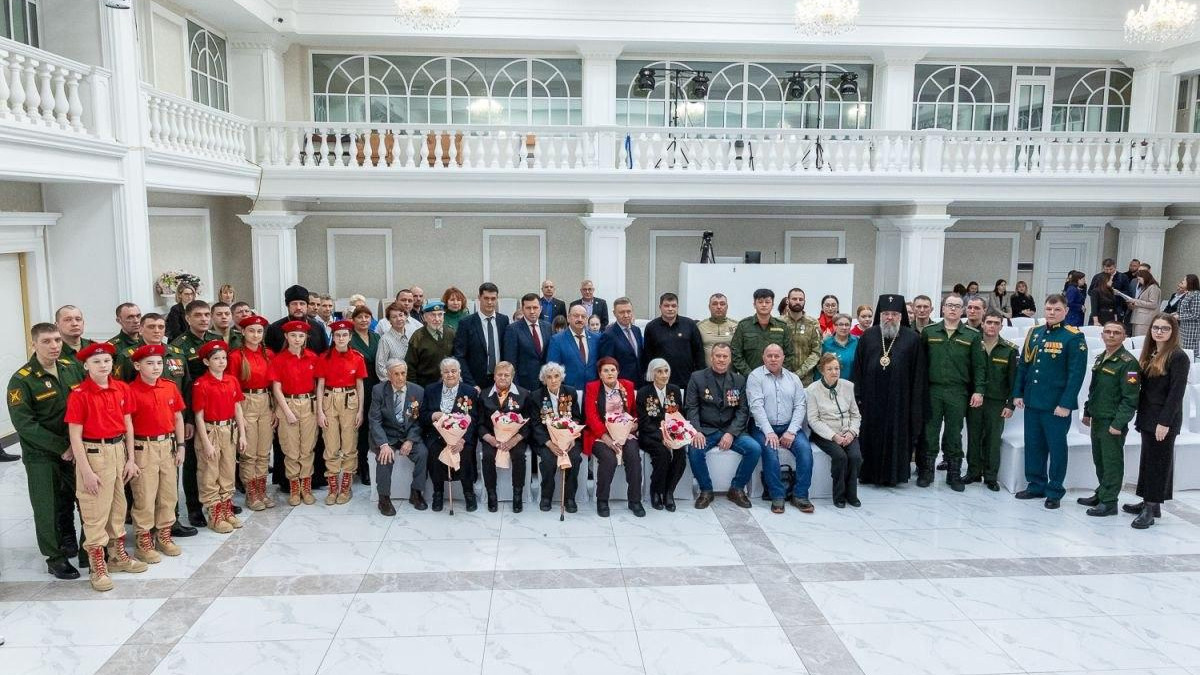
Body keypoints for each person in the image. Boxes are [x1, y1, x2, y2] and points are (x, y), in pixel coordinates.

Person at [65, 342, 146, 591]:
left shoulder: (121, 388)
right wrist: (86, 472)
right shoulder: (80, 394)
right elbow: (75, 436)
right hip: (94, 454)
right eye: (97, 362)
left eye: (107, 361)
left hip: (118, 450)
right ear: (86, 366)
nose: (103, 365)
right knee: (95, 512)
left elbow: (128, 425)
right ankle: (97, 565)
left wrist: (130, 459)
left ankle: (117, 556)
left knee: (118, 507)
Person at [7, 323, 85, 580]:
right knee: (47, 506)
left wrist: (78, 444)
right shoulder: (22, 380)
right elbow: (25, 424)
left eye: (57, 340)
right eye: (46, 341)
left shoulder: (71, 368)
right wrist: (61, 447)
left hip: (75, 448)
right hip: (42, 454)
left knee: (84, 499)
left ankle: (87, 548)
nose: (54, 346)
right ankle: (55, 557)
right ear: (34, 344)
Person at [1012, 294, 1088, 509]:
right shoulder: (1035, 333)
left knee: (1056, 448)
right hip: (1033, 400)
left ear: (1066, 311)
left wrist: (1066, 404)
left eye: (1057, 309)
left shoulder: (1073, 337)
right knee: (1033, 445)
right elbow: (1024, 366)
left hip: (1056, 405)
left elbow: (1076, 374)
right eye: (1048, 309)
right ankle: (1036, 484)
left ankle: (1054, 490)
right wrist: (1018, 393)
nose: (1052, 313)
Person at [852, 295, 926, 486]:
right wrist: (857, 396)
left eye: (894, 314)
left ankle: (894, 476)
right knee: (870, 436)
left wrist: (915, 404)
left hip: (900, 401)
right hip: (871, 400)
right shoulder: (868, 336)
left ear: (901, 316)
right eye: (886, 314)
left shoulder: (912, 338)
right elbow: (858, 369)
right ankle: (868, 474)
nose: (890, 318)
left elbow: (918, 374)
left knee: (896, 437)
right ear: (880, 315)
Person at [1128, 314, 1191, 529]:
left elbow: (1176, 394)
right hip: (1148, 415)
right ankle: (1149, 502)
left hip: (1164, 418)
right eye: (1156, 327)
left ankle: (1151, 508)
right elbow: (1139, 381)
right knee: (1148, 460)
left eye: (1165, 328)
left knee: (1158, 463)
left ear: (1173, 331)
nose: (1159, 332)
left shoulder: (1178, 356)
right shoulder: (1151, 351)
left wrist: (1165, 423)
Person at [918, 294, 986, 491]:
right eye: (949, 305)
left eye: (957, 306)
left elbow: (979, 366)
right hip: (933, 389)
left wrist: (979, 391)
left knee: (954, 433)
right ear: (943, 308)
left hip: (958, 391)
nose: (953, 309)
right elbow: (921, 364)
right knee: (930, 431)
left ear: (962, 310)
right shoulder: (929, 332)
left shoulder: (972, 335)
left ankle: (953, 473)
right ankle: (927, 471)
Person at [126, 344, 186, 562]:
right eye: (149, 363)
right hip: (143, 448)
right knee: (145, 494)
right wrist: (130, 457)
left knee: (168, 494)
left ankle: (164, 535)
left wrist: (181, 446)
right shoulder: (130, 391)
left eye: (159, 363)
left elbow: (178, 417)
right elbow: (127, 426)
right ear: (137, 366)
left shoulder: (169, 386)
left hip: (167, 445)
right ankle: (143, 540)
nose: (156, 367)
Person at [685, 343, 760, 509]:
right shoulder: (697, 378)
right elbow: (691, 407)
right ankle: (706, 490)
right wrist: (697, 431)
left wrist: (731, 433)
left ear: (730, 359)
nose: (721, 359)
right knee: (695, 449)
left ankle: (737, 488)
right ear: (711, 357)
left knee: (754, 448)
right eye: (718, 356)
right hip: (706, 429)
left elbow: (743, 411)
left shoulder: (739, 380)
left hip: (731, 429)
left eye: (725, 356)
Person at [1076, 321, 1139, 517]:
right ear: (1102, 335)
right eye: (1108, 332)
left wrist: (1119, 423)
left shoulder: (1129, 363)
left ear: (1124, 337)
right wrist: (1088, 411)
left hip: (1112, 421)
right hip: (1098, 417)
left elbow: (1130, 398)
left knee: (1112, 462)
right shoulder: (1101, 357)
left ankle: (1110, 501)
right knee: (1100, 459)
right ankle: (1102, 493)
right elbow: (1094, 388)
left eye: (1116, 333)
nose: (1111, 335)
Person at [169, 300, 222, 528]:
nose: (203, 319)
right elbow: (181, 386)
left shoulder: (215, 340)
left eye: (206, 315)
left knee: (218, 457)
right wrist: (188, 419)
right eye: (198, 315)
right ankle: (194, 507)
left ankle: (219, 502)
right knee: (192, 461)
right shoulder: (178, 346)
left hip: (217, 409)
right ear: (188, 318)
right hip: (193, 411)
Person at [747, 344, 813, 514]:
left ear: (783, 358)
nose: (773, 359)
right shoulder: (755, 377)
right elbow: (756, 407)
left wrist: (791, 431)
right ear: (763, 358)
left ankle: (800, 495)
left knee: (805, 451)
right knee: (770, 452)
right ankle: (777, 495)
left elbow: (800, 406)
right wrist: (769, 432)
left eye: (777, 356)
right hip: (762, 427)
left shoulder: (793, 379)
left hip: (789, 426)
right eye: (769, 355)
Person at [191, 340, 247, 534]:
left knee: (228, 470)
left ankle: (226, 508)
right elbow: (198, 416)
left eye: (224, 358)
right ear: (207, 362)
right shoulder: (201, 384)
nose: (222, 362)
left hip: (229, 430)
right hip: (210, 431)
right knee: (210, 472)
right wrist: (206, 443)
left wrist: (242, 434)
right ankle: (214, 514)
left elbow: (237, 407)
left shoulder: (232, 380)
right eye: (216, 358)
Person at [964, 310, 1018, 491]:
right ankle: (973, 472)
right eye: (989, 322)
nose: (992, 326)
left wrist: (1010, 405)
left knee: (993, 440)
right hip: (974, 399)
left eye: (996, 323)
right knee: (974, 437)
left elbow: (1013, 380)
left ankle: (990, 476)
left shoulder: (1009, 349)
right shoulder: (973, 344)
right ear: (983, 324)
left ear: (1001, 326)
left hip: (996, 401)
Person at [584, 357, 644, 517]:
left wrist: (635, 424)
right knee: (609, 458)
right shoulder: (592, 387)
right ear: (600, 374)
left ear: (618, 372)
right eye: (605, 371)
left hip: (626, 432)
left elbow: (634, 412)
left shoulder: (628, 385)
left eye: (613, 370)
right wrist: (606, 438)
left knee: (633, 456)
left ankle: (635, 500)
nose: (610, 373)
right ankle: (602, 500)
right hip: (601, 435)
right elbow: (591, 416)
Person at [227, 315, 275, 511]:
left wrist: (274, 409)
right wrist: (238, 416)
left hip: (266, 400)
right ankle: (251, 493)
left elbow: (274, 384)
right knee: (249, 452)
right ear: (243, 332)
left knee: (264, 451)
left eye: (259, 331)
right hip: (245, 401)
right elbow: (232, 386)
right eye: (251, 331)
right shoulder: (236, 356)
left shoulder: (269, 354)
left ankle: (262, 490)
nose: (255, 335)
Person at [368, 359, 429, 513]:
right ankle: (384, 498)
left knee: (423, 453)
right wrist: (383, 444)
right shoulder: (378, 390)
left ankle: (416, 493)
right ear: (389, 375)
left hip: (407, 434)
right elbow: (375, 420)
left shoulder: (417, 391)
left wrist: (410, 440)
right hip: (386, 435)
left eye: (403, 373)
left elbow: (418, 421)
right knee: (384, 457)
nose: (400, 378)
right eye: (396, 374)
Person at [317, 320, 367, 506]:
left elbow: (360, 385)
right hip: (329, 399)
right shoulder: (324, 357)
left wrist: (360, 410)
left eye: (345, 335)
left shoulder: (357, 357)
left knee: (349, 444)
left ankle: (345, 486)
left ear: (350, 337)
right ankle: (332, 486)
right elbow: (320, 385)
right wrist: (320, 412)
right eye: (337, 335)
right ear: (333, 337)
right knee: (331, 444)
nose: (341, 338)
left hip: (350, 399)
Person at [271, 320, 320, 506]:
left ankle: (306, 487)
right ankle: (294, 488)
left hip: (309, 404)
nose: (297, 339)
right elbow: (276, 388)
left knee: (307, 447)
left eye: (301, 335)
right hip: (288, 403)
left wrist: (318, 408)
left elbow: (318, 385)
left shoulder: (312, 357)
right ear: (286, 336)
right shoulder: (279, 359)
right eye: (293, 335)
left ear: (306, 337)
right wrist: (286, 411)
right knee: (290, 448)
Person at [422, 357, 479, 513]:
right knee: (434, 450)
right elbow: (423, 415)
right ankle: (438, 493)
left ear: (459, 372)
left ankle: (469, 493)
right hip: (437, 435)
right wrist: (433, 415)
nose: (450, 374)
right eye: (446, 372)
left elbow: (473, 420)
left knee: (465, 452)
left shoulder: (470, 392)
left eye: (453, 371)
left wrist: (462, 440)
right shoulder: (430, 390)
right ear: (441, 374)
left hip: (461, 437)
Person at [806, 353, 862, 508]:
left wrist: (851, 432)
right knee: (840, 457)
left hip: (847, 431)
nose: (834, 372)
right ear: (822, 370)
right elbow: (813, 420)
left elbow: (855, 414)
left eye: (837, 368)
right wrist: (834, 436)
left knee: (855, 457)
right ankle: (839, 496)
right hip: (825, 434)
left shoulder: (848, 386)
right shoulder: (813, 390)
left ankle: (852, 494)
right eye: (829, 369)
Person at [478, 361, 532, 512]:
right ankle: (491, 494)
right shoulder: (484, 395)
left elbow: (528, 423)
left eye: (506, 375)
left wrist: (514, 440)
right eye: (499, 374)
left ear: (512, 377)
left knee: (519, 455)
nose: (503, 378)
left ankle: (517, 494)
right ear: (494, 376)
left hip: (515, 437)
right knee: (488, 456)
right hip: (492, 437)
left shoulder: (524, 394)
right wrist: (491, 440)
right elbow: (480, 424)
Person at [530, 362, 584, 513]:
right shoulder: (536, 396)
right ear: (544, 379)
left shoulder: (570, 392)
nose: (553, 380)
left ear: (561, 377)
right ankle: (546, 496)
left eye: (556, 376)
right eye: (549, 377)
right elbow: (535, 424)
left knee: (575, 459)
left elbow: (576, 417)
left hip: (569, 439)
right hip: (546, 440)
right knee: (548, 460)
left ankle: (569, 497)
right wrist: (549, 443)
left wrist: (571, 437)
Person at [636, 359, 687, 512]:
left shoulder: (674, 390)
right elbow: (644, 422)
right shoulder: (643, 392)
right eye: (659, 371)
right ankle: (656, 490)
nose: (664, 375)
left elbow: (679, 416)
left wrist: (673, 436)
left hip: (673, 434)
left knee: (680, 454)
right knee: (663, 455)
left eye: (666, 371)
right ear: (652, 374)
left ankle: (669, 491)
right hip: (650, 435)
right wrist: (662, 436)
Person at [347, 306, 381, 486]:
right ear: (353, 320)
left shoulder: (376, 337)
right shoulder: (349, 338)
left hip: (376, 384)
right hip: (357, 385)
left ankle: (375, 463)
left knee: (374, 424)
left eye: (367, 317)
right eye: (359, 317)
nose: (364, 320)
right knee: (360, 427)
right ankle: (362, 466)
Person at [452, 283, 509, 391]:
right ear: (479, 298)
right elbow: (460, 355)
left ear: (497, 299)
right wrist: (471, 383)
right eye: (486, 298)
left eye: (493, 298)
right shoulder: (466, 323)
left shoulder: (503, 320)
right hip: (476, 382)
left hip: (500, 380)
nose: (490, 302)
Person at [643, 292, 706, 389]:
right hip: (661, 381)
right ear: (660, 307)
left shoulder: (689, 324)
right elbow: (648, 356)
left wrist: (699, 377)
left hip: (687, 380)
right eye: (666, 306)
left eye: (673, 306)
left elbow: (699, 353)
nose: (670, 309)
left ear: (677, 307)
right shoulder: (651, 327)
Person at [730, 289, 795, 377]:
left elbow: (789, 354)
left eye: (767, 302)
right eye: (760, 302)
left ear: (772, 305)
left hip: (776, 379)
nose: (764, 305)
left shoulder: (782, 327)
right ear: (754, 304)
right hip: (749, 378)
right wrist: (750, 374)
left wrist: (777, 373)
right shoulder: (744, 326)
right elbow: (736, 353)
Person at [503, 293, 551, 392]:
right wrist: (517, 388)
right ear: (523, 309)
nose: (532, 311)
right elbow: (510, 361)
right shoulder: (513, 329)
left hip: (545, 383)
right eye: (528, 308)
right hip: (524, 385)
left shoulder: (547, 327)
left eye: (535, 307)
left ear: (541, 309)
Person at [546, 304, 599, 391]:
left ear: (586, 319)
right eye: (576, 316)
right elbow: (553, 368)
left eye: (583, 316)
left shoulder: (596, 338)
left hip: (593, 391)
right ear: (568, 318)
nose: (580, 319)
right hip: (569, 391)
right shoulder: (557, 340)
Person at [405, 301, 456, 388]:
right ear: (425, 317)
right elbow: (410, 367)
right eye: (433, 315)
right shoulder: (418, 337)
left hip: (448, 385)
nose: (437, 319)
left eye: (440, 315)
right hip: (425, 386)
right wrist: (415, 389)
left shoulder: (451, 333)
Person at [266, 285, 329, 354]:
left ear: (307, 306)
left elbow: (325, 354)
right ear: (288, 306)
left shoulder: (318, 328)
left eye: (302, 304)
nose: (298, 307)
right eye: (294, 304)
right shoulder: (274, 328)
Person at [780, 288, 822, 384]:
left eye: (801, 299)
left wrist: (799, 373)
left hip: (805, 380)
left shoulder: (812, 323)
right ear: (788, 301)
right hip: (781, 377)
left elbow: (816, 352)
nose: (798, 302)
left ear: (804, 302)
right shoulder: (779, 323)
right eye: (794, 299)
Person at [597, 297, 644, 383]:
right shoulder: (608, 335)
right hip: (621, 383)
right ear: (614, 313)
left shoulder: (636, 330)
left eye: (629, 311)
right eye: (622, 312)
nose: (626, 315)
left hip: (640, 382)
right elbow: (607, 363)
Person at [376, 302, 421, 381]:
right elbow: (380, 367)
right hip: (394, 383)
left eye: (401, 315)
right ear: (389, 320)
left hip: (412, 381)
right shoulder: (385, 340)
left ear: (406, 317)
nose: (399, 319)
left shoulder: (412, 335)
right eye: (394, 317)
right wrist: (395, 381)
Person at [697, 293, 737, 366]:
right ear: (709, 307)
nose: (719, 307)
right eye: (715, 304)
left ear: (727, 307)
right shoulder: (699, 326)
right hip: (706, 371)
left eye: (722, 304)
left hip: (730, 372)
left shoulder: (736, 326)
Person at [1127, 269, 1162, 337]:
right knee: (1135, 338)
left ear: (1145, 278)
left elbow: (1153, 304)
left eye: (1139, 279)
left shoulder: (1153, 287)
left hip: (1145, 319)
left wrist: (1136, 301)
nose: (1138, 282)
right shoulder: (1145, 287)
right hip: (1138, 318)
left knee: (1140, 339)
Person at [1173, 274, 1200, 358]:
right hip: (1183, 328)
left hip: (1191, 330)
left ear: (1190, 282)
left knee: (1189, 353)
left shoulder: (1196, 295)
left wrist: (1180, 317)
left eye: (1184, 280)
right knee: (1183, 350)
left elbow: (1196, 314)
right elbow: (1184, 309)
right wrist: (1176, 313)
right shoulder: (1188, 293)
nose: (1182, 281)